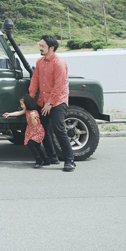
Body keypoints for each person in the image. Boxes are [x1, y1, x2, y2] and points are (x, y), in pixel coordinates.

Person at [28, 35, 75, 172]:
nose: (40, 48)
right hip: (43, 100)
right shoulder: (40, 62)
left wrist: (50, 103)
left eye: (43, 46)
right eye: (40, 45)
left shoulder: (59, 63)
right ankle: (51, 157)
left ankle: (70, 160)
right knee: (42, 129)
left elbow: (59, 86)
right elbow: (35, 80)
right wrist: (31, 100)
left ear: (51, 48)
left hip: (57, 101)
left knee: (58, 129)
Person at [3, 95, 48, 168]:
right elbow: (19, 112)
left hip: (37, 132)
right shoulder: (27, 110)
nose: (21, 106)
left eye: (22, 104)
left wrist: (33, 117)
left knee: (30, 144)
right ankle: (46, 159)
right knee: (37, 146)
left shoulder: (34, 113)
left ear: (27, 104)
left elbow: (35, 124)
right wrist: (9, 114)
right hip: (31, 131)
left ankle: (38, 159)